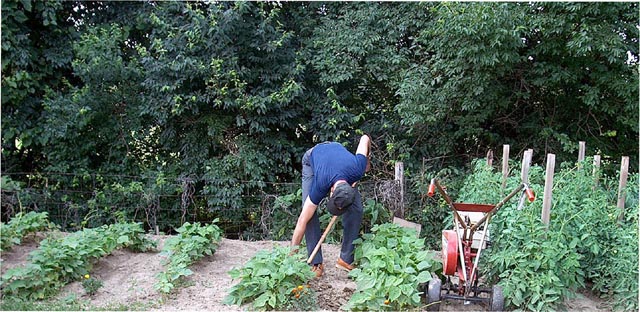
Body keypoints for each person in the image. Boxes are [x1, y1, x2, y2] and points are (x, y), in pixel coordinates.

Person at [290, 134, 371, 278]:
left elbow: (365, 138)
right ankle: (316, 263)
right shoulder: (321, 184)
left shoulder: (357, 169)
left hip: (339, 158)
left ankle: (345, 259)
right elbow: (302, 220)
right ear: (331, 191)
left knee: (356, 209)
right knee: (309, 214)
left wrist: (367, 161)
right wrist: (290, 259)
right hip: (313, 157)